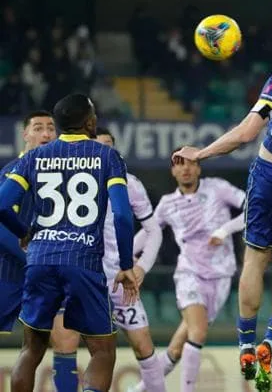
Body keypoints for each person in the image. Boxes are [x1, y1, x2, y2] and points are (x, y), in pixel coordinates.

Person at [172, 13, 272, 391]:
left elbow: (248, 132)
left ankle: (247, 344)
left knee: (256, 258)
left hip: (270, 172)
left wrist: (202, 153)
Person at [0, 94, 139, 392]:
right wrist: (126, 265)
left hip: (40, 259)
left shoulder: (35, 157)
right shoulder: (106, 156)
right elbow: (124, 217)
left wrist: (24, 231)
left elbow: (1, 205)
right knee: (102, 351)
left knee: (31, 349)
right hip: (83, 260)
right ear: (89, 122)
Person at [49, 127, 166, 392]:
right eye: (100, 145)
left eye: (110, 145)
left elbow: (154, 229)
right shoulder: (72, 179)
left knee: (143, 344)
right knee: (68, 344)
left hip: (118, 278)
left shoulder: (129, 182)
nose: (105, 150)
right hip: (80, 277)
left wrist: (141, 268)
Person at [129, 152, 246, 392]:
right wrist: (124, 253)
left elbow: (253, 210)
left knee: (176, 348)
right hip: (189, 274)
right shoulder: (168, 204)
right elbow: (150, 232)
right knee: (198, 332)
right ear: (172, 171)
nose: (186, 169)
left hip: (221, 275)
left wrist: (224, 230)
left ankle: (139, 390)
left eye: (191, 163)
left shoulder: (218, 189)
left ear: (199, 168)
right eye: (179, 165)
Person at [0, 111, 56, 337]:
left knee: (62, 338)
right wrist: (32, 260)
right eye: (38, 128)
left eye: (51, 128)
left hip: (50, 269)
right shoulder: (11, 172)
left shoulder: (62, 173)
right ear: (25, 134)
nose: (46, 133)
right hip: (11, 271)